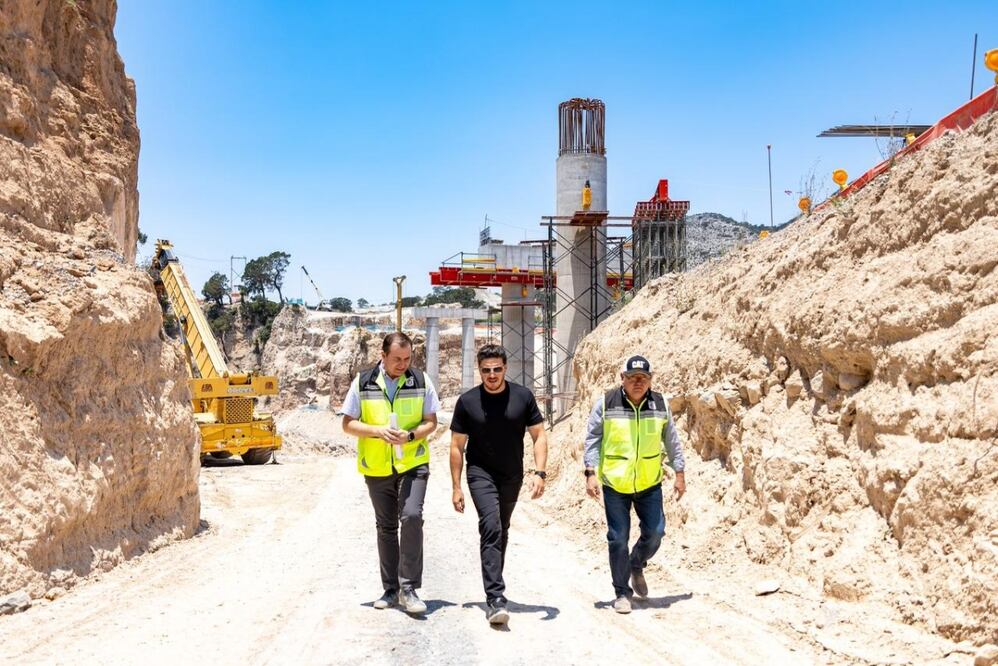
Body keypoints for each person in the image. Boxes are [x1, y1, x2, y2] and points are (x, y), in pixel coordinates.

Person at [341, 332, 440, 615]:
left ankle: (409, 588)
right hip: (378, 466)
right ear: (382, 356)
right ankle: (390, 589)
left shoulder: (421, 380)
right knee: (385, 527)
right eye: (397, 359)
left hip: (413, 463)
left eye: (407, 358)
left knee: (411, 516)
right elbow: (348, 424)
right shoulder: (363, 381)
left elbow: (430, 422)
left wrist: (409, 436)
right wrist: (377, 431)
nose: (403, 364)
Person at [449, 344, 547, 625]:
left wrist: (540, 472)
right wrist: (456, 486)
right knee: (490, 526)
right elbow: (457, 446)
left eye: (497, 369)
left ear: (505, 368)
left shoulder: (522, 397)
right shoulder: (467, 402)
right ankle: (495, 598)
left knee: (501, 529)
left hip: (511, 474)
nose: (491, 375)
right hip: (480, 473)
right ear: (479, 371)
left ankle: (495, 581)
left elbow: (539, 435)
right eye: (486, 370)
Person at [583, 355, 686, 614]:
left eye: (643, 378)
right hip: (615, 483)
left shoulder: (660, 404)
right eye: (632, 378)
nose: (638, 383)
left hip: (649, 482)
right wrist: (590, 472)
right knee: (618, 538)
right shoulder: (606, 403)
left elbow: (671, 440)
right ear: (622, 379)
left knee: (656, 532)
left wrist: (680, 471)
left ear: (650, 380)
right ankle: (622, 593)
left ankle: (636, 562)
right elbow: (593, 438)